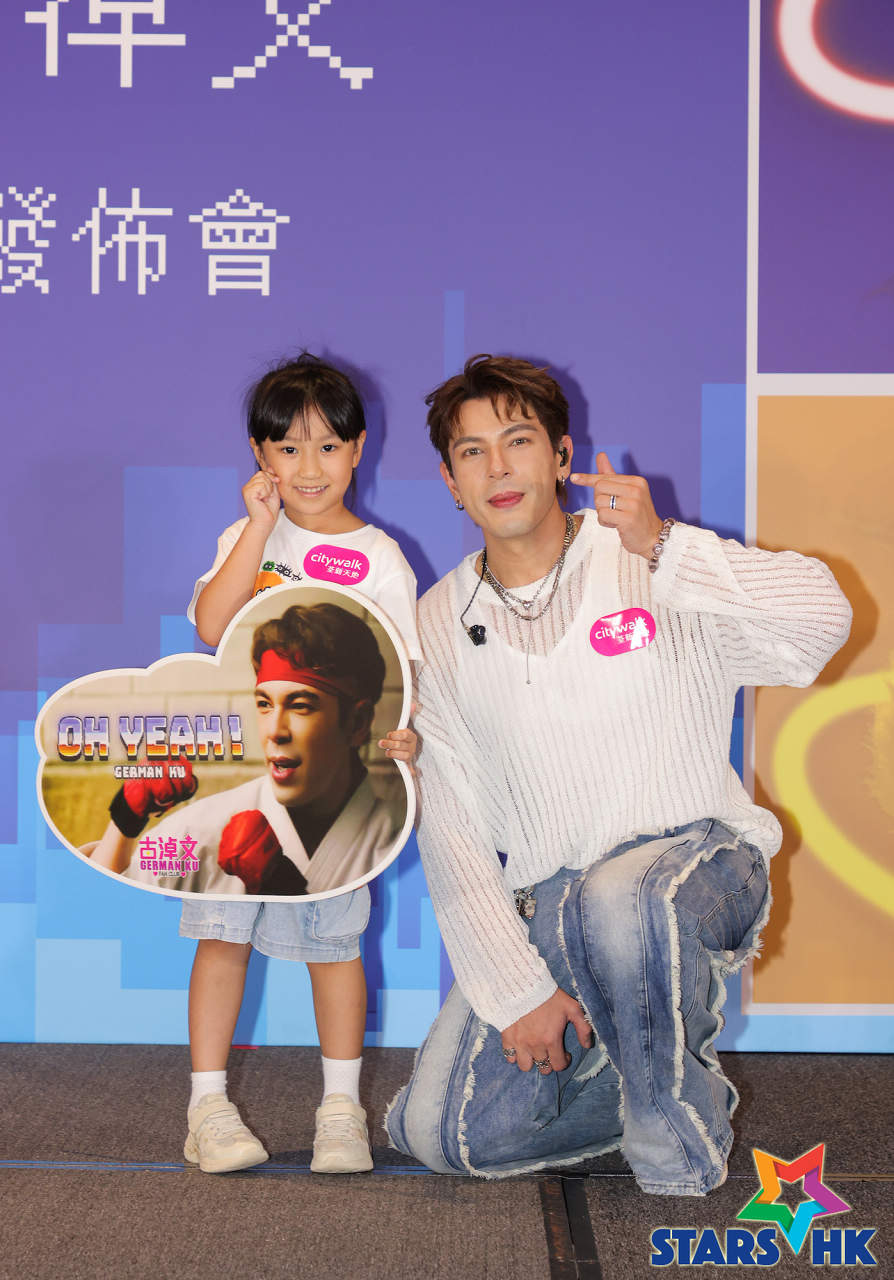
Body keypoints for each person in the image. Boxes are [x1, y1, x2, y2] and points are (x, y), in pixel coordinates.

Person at [386, 354, 852, 1195]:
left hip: (698, 865)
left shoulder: (646, 562)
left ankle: (677, 1143)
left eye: (518, 440)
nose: (498, 468)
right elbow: (450, 826)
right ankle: (633, 1076)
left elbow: (823, 617)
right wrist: (518, 991)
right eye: (471, 452)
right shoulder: (436, 624)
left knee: (622, 897)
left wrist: (668, 545)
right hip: (554, 904)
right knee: (443, 1135)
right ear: (451, 483)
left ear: (562, 456)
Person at [106, 353, 419, 1176]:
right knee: (221, 935)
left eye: (328, 446)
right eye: (287, 448)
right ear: (259, 453)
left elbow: (404, 676)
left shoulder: (382, 557)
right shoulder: (245, 538)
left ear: (359, 448)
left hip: (343, 795)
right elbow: (214, 626)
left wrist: (403, 737)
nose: (308, 466)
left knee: (336, 945)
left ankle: (341, 1111)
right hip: (246, 775)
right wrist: (256, 528)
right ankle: (207, 1109)